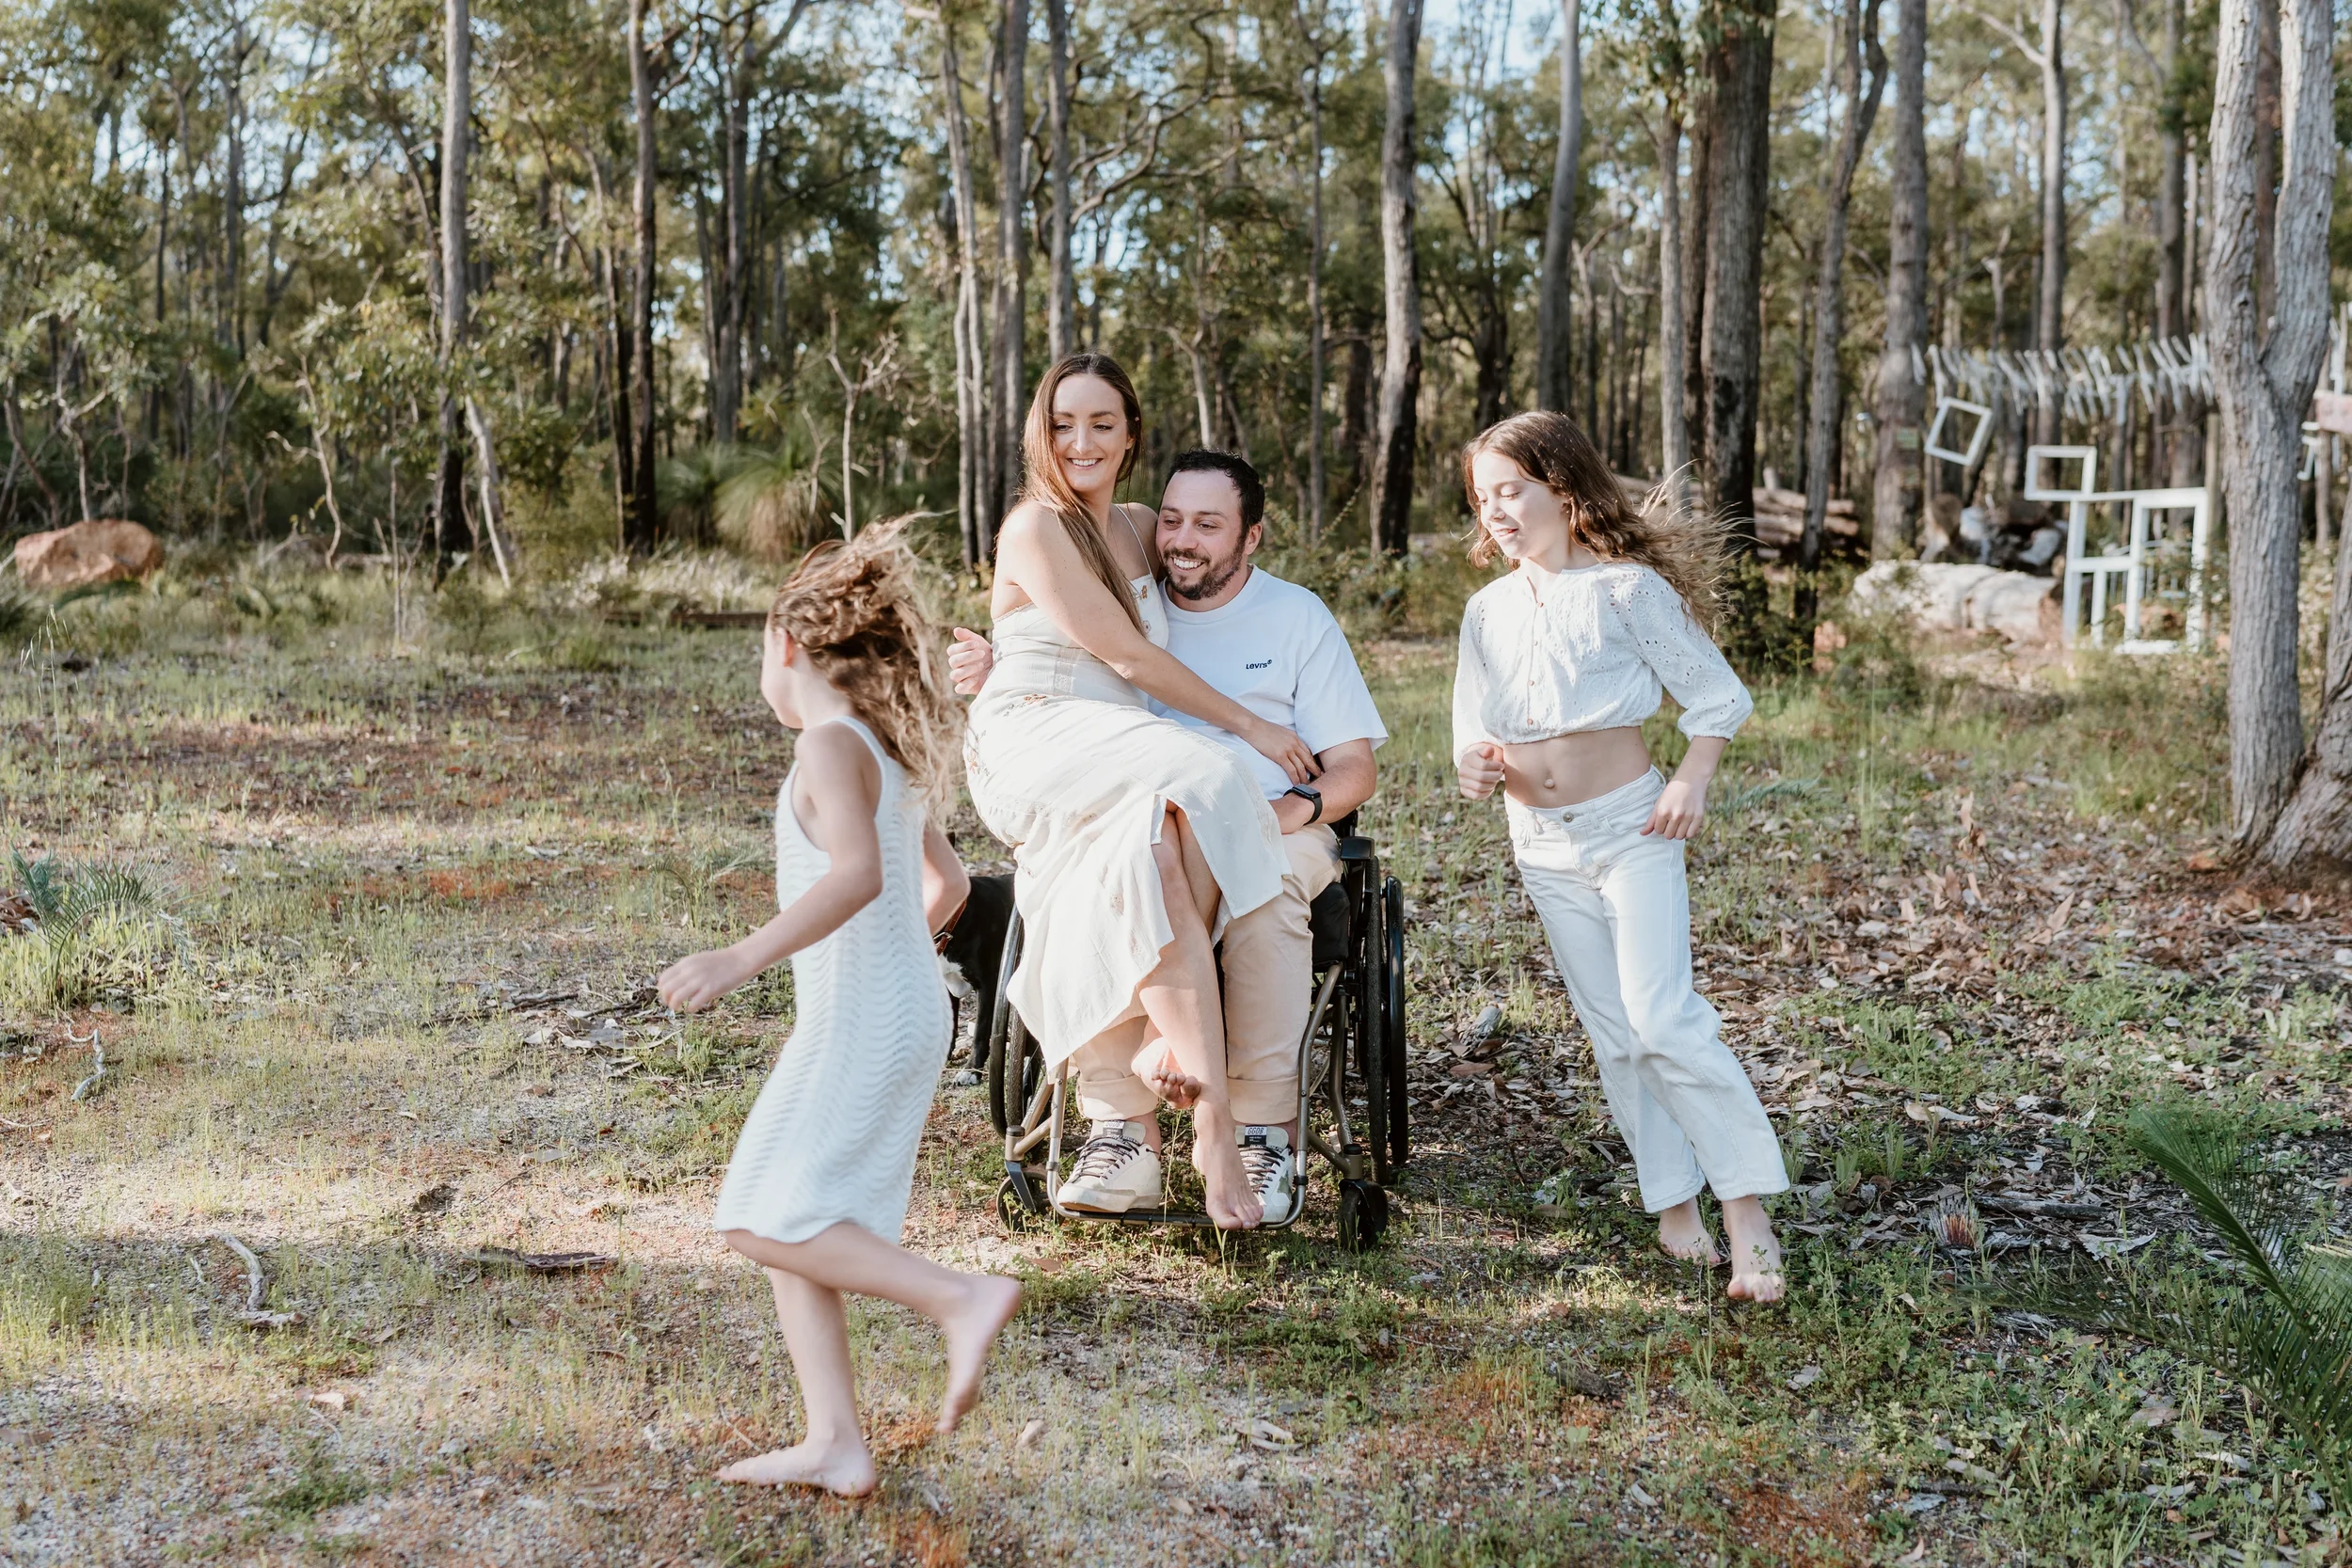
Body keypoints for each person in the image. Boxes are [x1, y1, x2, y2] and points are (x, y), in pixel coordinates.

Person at [657, 523, 1024, 1496]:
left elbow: (860, 876)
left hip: (866, 1012)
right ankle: (834, 1440)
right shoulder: (882, 749)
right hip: (889, 1007)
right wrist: (889, 980)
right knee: (793, 1204)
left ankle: (959, 1296)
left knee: (753, 1213)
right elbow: (942, 886)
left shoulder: (828, 742)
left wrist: (741, 955)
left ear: (785, 642)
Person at [950, 451, 1386, 1222]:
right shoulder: (1129, 610)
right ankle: (1125, 1130)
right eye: (1173, 520)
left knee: (1267, 883)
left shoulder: (1296, 617)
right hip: (1128, 814)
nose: (1182, 539)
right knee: (1110, 860)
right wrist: (1000, 663)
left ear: (1252, 537)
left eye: (1208, 525)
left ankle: (1259, 1127)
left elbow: (1354, 767)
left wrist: (1290, 811)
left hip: (1275, 817)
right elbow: (1053, 667)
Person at [1451, 412, 1788, 1302]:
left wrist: (1693, 778)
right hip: (1540, 846)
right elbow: (1469, 729)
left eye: (1511, 491)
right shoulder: (1485, 612)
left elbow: (1717, 694)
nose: (1497, 512)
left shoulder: (1626, 591)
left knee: (1662, 1018)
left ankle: (1748, 1213)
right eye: (1484, 498)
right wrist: (1476, 767)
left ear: (1562, 488)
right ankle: (1675, 1204)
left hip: (1631, 829)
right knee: (1612, 1032)